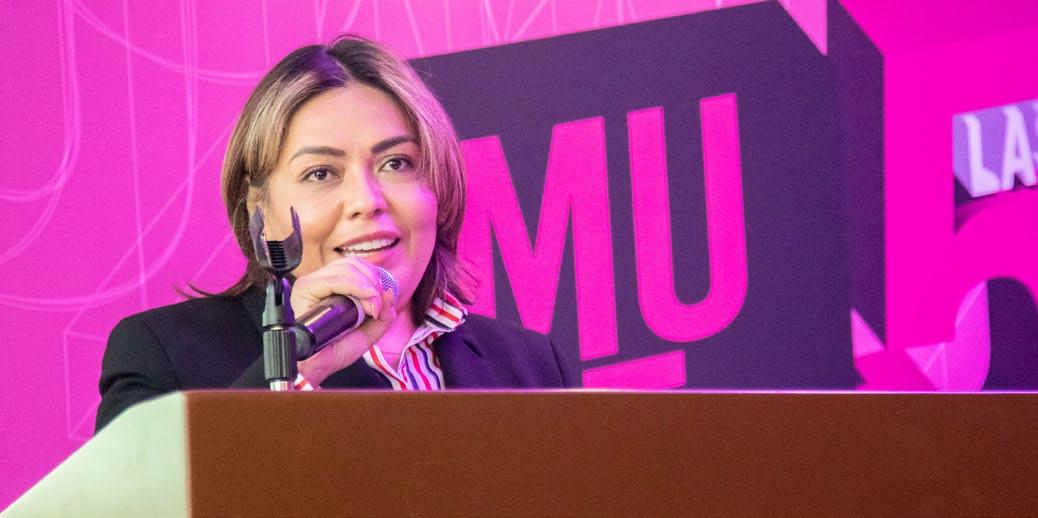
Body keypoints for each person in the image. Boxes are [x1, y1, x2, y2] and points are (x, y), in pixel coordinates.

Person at [96, 35, 576, 432]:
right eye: (321, 173)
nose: (367, 200)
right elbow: (143, 499)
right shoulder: (164, 354)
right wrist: (294, 367)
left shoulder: (530, 365)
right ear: (259, 207)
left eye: (396, 163)